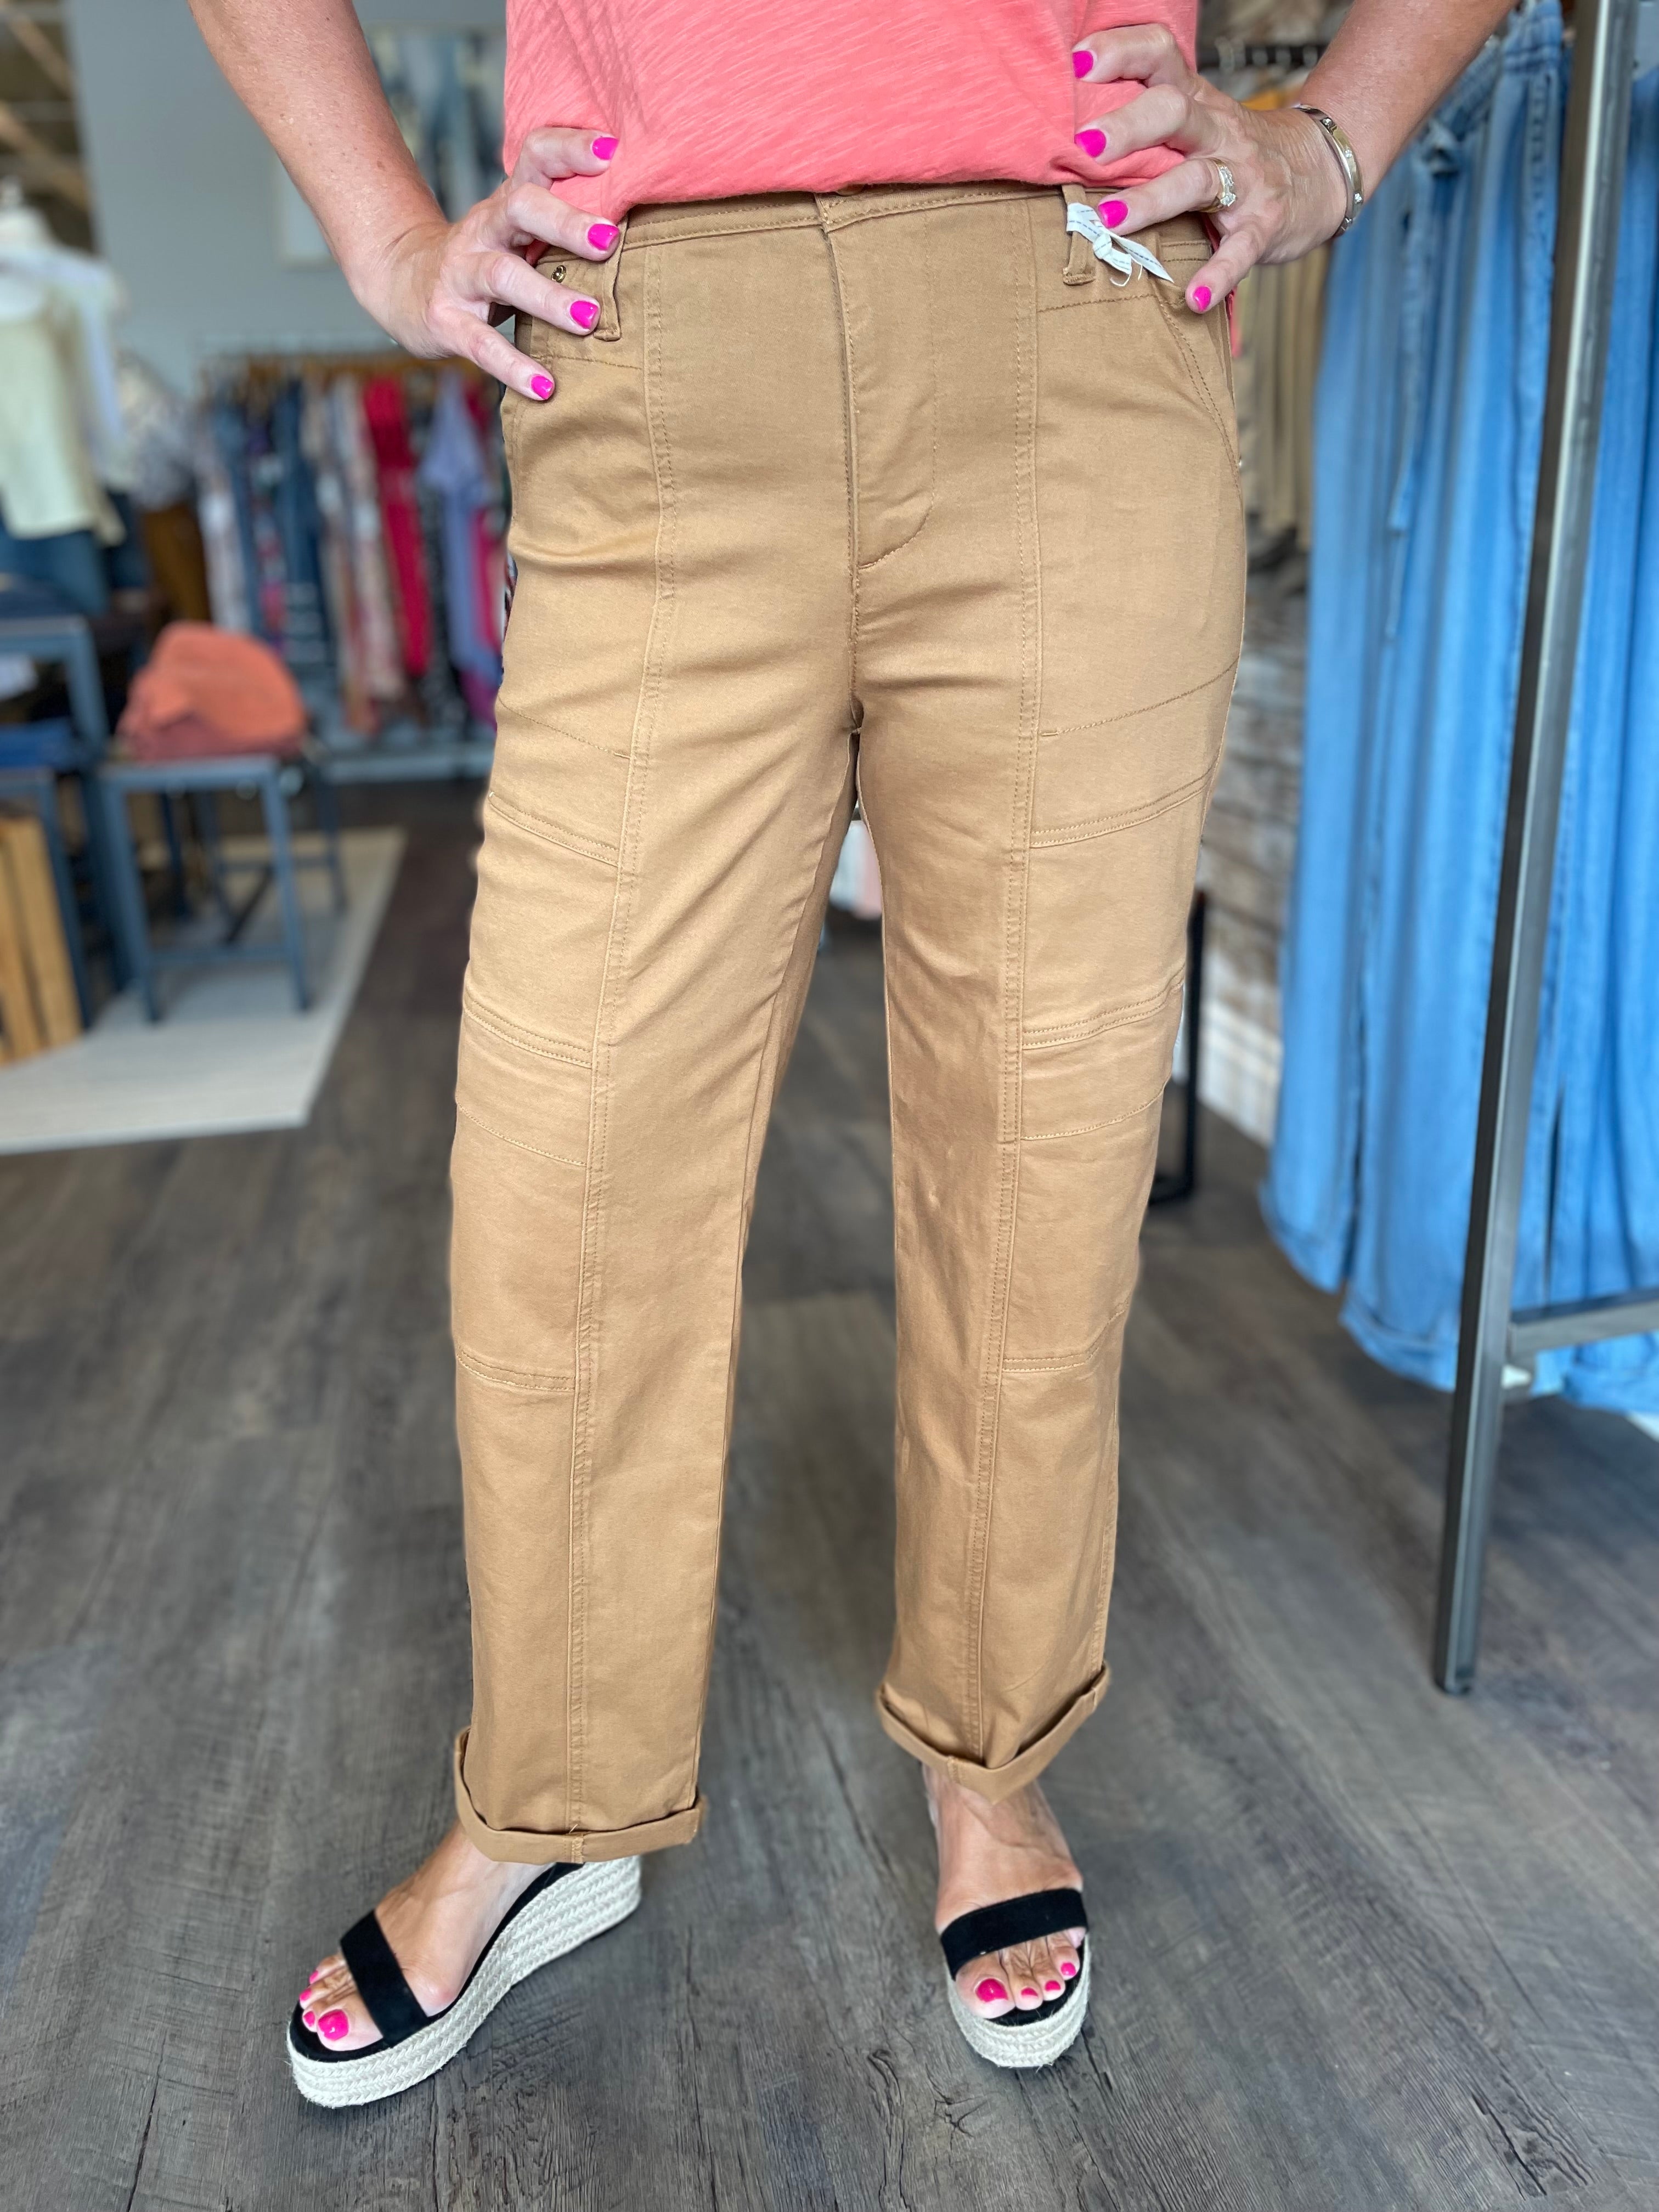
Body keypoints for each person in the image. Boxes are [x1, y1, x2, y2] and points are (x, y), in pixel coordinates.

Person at [190, 0, 1516, 2102]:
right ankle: (549, 1801)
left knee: (1038, 1148)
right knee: (566, 1153)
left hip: (1069, 327)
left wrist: (1330, 141)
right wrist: (382, 233)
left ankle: (994, 1760)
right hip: (646, 338)